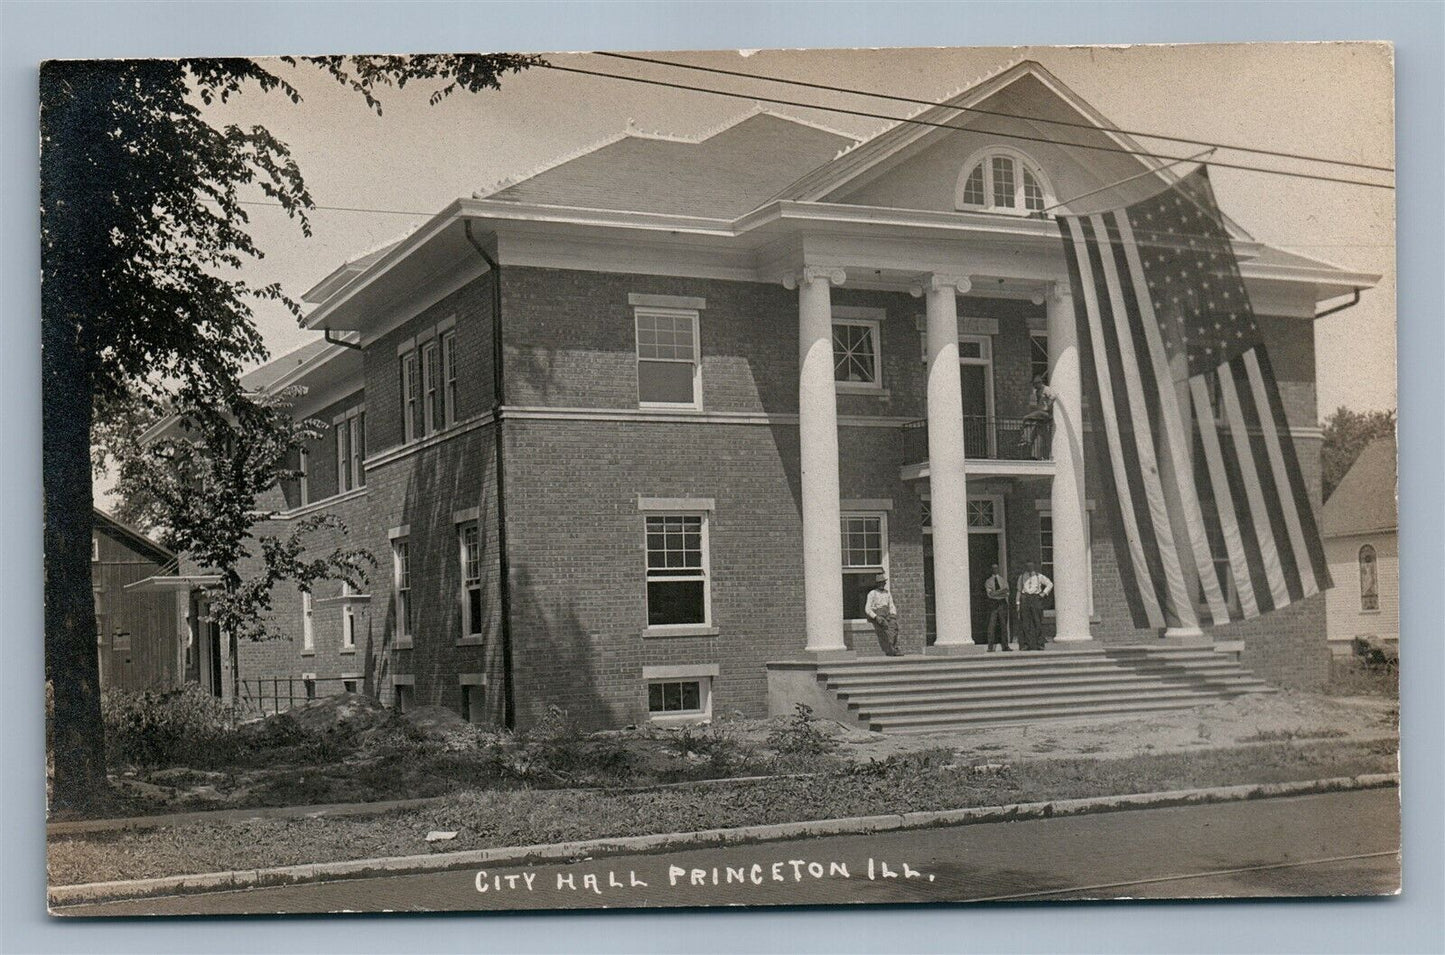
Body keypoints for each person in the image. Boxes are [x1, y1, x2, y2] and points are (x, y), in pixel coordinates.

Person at [1015, 560, 1054, 651]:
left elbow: (1050, 584)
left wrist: (1043, 593)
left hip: (1036, 598)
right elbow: (1019, 591)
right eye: (1028, 566)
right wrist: (1018, 603)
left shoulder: (1039, 576)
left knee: (1037, 621)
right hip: (1025, 598)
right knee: (1025, 622)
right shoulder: (1022, 577)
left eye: (1031, 566)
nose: (1029, 568)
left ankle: (1039, 644)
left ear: (1034, 566)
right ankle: (1026, 645)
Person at [1019, 375, 1057, 460]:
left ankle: (1025, 439)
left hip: (1045, 413)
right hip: (1040, 414)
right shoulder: (1037, 391)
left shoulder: (1046, 389)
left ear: (1039, 383)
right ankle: (1027, 440)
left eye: (1035, 384)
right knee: (1036, 428)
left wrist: (1048, 407)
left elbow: (1053, 396)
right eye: (1034, 384)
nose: (1035, 386)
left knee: (1026, 418)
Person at [864, 574, 902, 657]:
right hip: (877, 615)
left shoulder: (887, 593)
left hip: (886, 614)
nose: (882, 584)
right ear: (877, 583)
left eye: (883, 582)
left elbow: (891, 605)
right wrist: (875, 617)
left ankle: (893, 647)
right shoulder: (872, 593)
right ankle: (891, 649)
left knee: (894, 625)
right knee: (885, 626)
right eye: (880, 583)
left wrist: (893, 614)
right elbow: (867, 609)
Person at [983, 563, 1011, 651]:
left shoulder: (1003, 580)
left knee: (1003, 625)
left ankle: (1005, 646)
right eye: (993, 568)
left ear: (998, 569)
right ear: (991, 570)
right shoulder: (988, 581)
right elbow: (990, 594)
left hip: (1002, 604)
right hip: (993, 604)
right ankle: (990, 647)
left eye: (996, 568)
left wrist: (996, 593)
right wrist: (1001, 592)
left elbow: (1007, 593)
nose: (995, 570)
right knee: (991, 626)